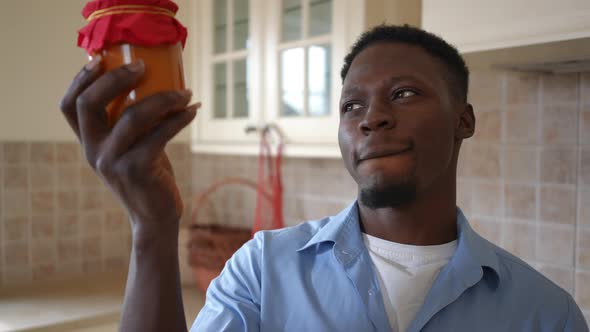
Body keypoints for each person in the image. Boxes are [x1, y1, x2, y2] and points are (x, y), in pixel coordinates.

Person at [60, 25, 588, 332]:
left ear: (463, 121)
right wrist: (152, 226)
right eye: (351, 104)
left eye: (403, 93)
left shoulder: (547, 314)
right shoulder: (261, 272)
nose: (370, 117)